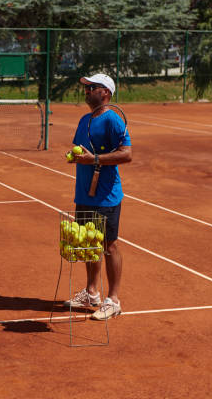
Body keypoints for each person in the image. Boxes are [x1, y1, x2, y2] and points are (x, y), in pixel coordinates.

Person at [64, 73, 132, 320]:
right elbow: (82, 150)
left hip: (106, 196)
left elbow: (126, 154)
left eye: (92, 87)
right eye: (86, 87)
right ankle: (92, 292)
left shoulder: (113, 120)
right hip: (84, 193)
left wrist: (93, 159)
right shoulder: (84, 120)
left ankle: (113, 300)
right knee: (88, 243)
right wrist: (75, 156)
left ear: (105, 92)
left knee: (108, 245)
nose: (86, 91)